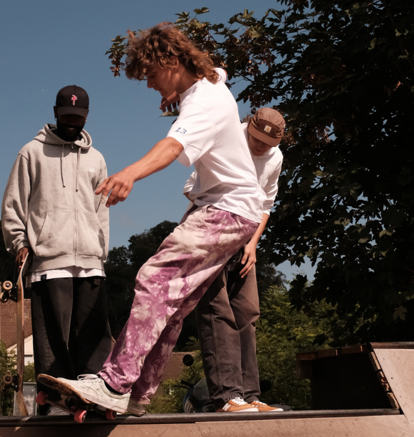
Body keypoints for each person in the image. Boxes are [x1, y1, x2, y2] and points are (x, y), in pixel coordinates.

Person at [38, 22, 264, 415]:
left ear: (173, 61)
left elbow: (171, 145)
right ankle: (137, 395)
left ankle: (114, 382)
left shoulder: (203, 104)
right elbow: (215, 69)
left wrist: (130, 173)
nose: (149, 85)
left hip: (225, 210)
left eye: (153, 75)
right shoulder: (211, 84)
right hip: (237, 212)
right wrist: (175, 91)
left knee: (155, 278)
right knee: (173, 306)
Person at [1, 85, 113, 415]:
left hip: (90, 262)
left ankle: (93, 391)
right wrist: (19, 243)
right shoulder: (31, 153)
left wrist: (101, 252)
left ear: (87, 117)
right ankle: (55, 395)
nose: (71, 123)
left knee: (92, 335)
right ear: (54, 113)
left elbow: (102, 209)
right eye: (66, 117)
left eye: (78, 118)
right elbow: (13, 204)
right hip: (49, 260)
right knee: (52, 337)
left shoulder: (97, 159)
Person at [184, 108, 286, 412]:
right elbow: (192, 190)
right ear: (248, 127)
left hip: (245, 236)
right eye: (256, 140)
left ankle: (250, 396)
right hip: (211, 228)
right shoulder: (226, 141)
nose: (260, 148)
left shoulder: (276, 158)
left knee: (246, 311)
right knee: (218, 311)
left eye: (267, 145)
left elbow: (266, 203)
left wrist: (252, 243)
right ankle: (226, 396)